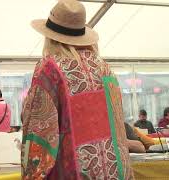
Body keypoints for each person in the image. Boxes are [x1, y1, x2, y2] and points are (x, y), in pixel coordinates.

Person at [21, 0, 133, 179]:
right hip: (115, 171)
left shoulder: (50, 69)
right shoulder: (105, 68)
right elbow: (117, 127)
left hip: (74, 172)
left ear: (49, 36)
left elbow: (40, 130)